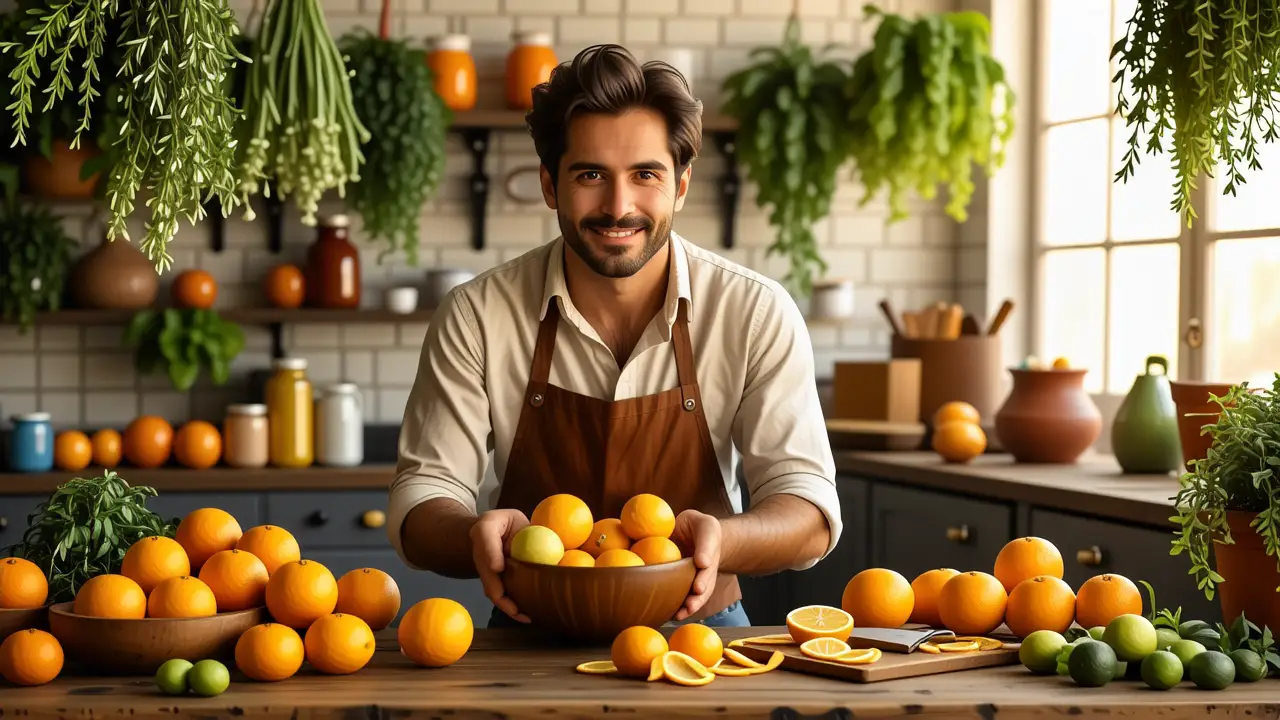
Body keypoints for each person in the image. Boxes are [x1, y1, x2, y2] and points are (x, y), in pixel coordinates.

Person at [388, 44, 840, 629]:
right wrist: (475, 534)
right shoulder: (477, 314)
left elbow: (808, 512)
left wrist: (718, 541)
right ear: (551, 186)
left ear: (680, 186)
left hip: (701, 635)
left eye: (645, 174)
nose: (618, 206)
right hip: (529, 634)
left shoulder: (753, 310)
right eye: (591, 175)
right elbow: (421, 497)